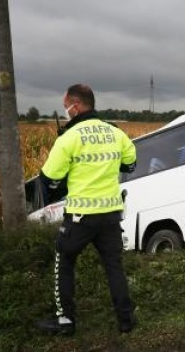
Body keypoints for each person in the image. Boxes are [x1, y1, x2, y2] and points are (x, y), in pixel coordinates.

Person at [36, 84, 137, 336]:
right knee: (114, 266)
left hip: (80, 217)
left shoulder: (68, 137)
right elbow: (131, 164)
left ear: (76, 105)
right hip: (111, 214)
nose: (66, 111)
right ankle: (126, 321)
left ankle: (65, 321)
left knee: (64, 258)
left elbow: (48, 178)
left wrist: (67, 179)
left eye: (66, 106)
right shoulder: (115, 132)